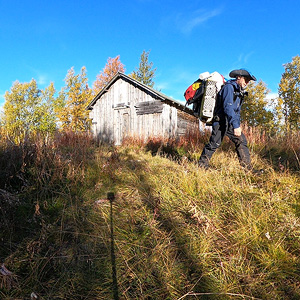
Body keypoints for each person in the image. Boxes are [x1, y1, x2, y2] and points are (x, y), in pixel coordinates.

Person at [198, 69, 256, 170]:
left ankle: (247, 169)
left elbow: (236, 112)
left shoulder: (238, 92)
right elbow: (228, 107)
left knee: (241, 141)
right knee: (214, 143)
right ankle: (201, 166)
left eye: (248, 81)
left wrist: (236, 125)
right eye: (245, 80)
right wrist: (235, 125)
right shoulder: (229, 87)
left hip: (228, 122)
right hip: (220, 121)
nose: (247, 83)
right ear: (239, 77)